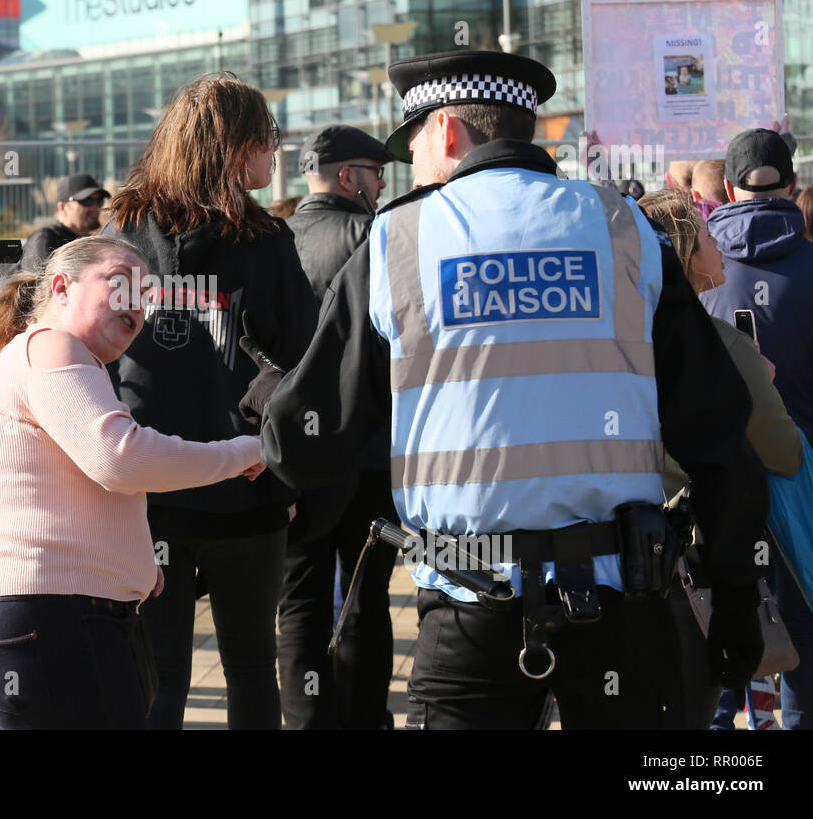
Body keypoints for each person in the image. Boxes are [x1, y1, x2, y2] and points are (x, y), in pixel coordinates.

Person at [259, 49, 768, 729]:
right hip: (619, 609)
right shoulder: (625, 232)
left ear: (445, 132)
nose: (412, 169)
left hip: (470, 618)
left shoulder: (397, 242)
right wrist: (735, 593)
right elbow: (717, 431)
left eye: (411, 148)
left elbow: (307, 441)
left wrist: (266, 397)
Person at [0, 236, 265, 728]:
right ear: (62, 287)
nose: (139, 304)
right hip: (41, 622)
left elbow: (57, 488)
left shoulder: (38, 357)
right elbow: (120, 458)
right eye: (120, 283)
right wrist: (244, 451)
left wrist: (128, 559)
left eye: (146, 295)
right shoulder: (53, 344)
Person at [100, 71, 318, 729]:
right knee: (252, 667)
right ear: (231, 148)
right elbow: (305, 366)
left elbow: (91, 356)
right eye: (267, 138)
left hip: (150, 489)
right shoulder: (268, 244)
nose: (275, 152)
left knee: (159, 674)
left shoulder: (123, 232)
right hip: (245, 487)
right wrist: (292, 465)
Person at [638, 188, 804, 728]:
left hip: (616, 562)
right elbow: (783, 452)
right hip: (698, 567)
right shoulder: (724, 347)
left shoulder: (615, 340)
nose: (719, 246)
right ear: (686, 254)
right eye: (708, 237)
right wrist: (761, 384)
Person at [276, 124, 396, 729]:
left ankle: (306, 718)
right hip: (369, 447)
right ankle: (363, 718)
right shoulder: (375, 236)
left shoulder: (276, 239)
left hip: (297, 448)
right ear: (349, 177)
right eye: (375, 174)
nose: (381, 186)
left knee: (300, 596)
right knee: (364, 597)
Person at [701, 127, 813, 729]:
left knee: (716, 627)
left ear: (726, 188)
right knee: (801, 639)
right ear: (792, 187)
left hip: (717, 486)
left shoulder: (697, 276)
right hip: (803, 482)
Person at [19, 173, 109, 272]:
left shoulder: (93, 241)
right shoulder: (45, 239)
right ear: (62, 207)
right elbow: (38, 284)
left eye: (99, 201)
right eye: (87, 201)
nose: (95, 207)